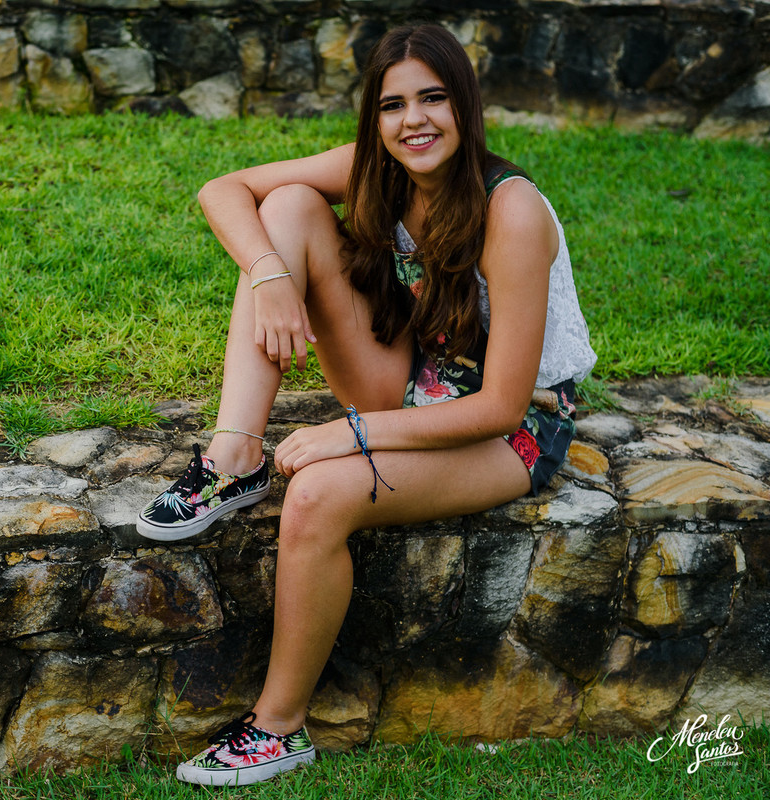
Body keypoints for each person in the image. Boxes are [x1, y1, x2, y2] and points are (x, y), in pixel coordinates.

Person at [134, 23, 597, 787]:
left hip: (510, 426)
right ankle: (232, 459)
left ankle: (277, 730)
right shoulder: (376, 169)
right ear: (374, 118)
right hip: (414, 374)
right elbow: (222, 190)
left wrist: (349, 432)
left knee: (316, 494)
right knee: (284, 207)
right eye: (393, 105)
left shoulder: (510, 210)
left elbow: (502, 408)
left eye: (433, 99)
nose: (413, 120)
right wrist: (269, 277)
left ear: (465, 105)